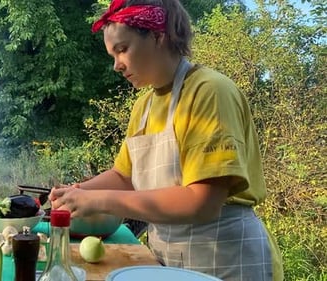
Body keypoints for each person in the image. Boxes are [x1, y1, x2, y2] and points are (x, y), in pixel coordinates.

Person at [48, 0, 284, 280]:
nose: (116, 66)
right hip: (168, 259)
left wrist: (99, 200)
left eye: (122, 50)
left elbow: (202, 202)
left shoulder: (209, 91)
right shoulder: (144, 106)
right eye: (112, 55)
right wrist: (76, 193)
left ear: (160, 35)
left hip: (227, 260)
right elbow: (125, 176)